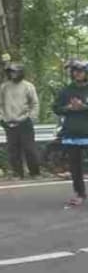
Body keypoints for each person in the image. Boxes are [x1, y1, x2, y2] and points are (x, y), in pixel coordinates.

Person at [0, 62, 41, 179]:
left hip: (24, 121)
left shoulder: (28, 86)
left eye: (15, 72)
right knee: (13, 150)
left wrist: (31, 117)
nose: (13, 74)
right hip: (9, 122)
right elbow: (0, 104)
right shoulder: (4, 87)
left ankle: (35, 172)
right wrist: (1, 117)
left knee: (29, 149)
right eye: (10, 72)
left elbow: (35, 103)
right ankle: (17, 173)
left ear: (20, 72)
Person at [53, 60, 88, 206]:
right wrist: (68, 108)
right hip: (72, 133)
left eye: (81, 71)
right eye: (75, 71)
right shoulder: (66, 91)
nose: (77, 74)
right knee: (75, 166)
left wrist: (84, 107)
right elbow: (56, 108)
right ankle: (80, 193)